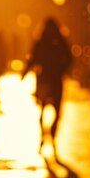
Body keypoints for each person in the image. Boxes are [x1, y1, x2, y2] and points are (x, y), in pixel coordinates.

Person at [22, 18, 72, 157]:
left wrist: (62, 69)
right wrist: (25, 72)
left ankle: (51, 134)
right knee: (44, 110)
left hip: (51, 79)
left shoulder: (54, 42)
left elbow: (68, 58)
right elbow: (33, 58)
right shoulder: (46, 42)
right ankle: (45, 136)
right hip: (47, 79)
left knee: (54, 110)